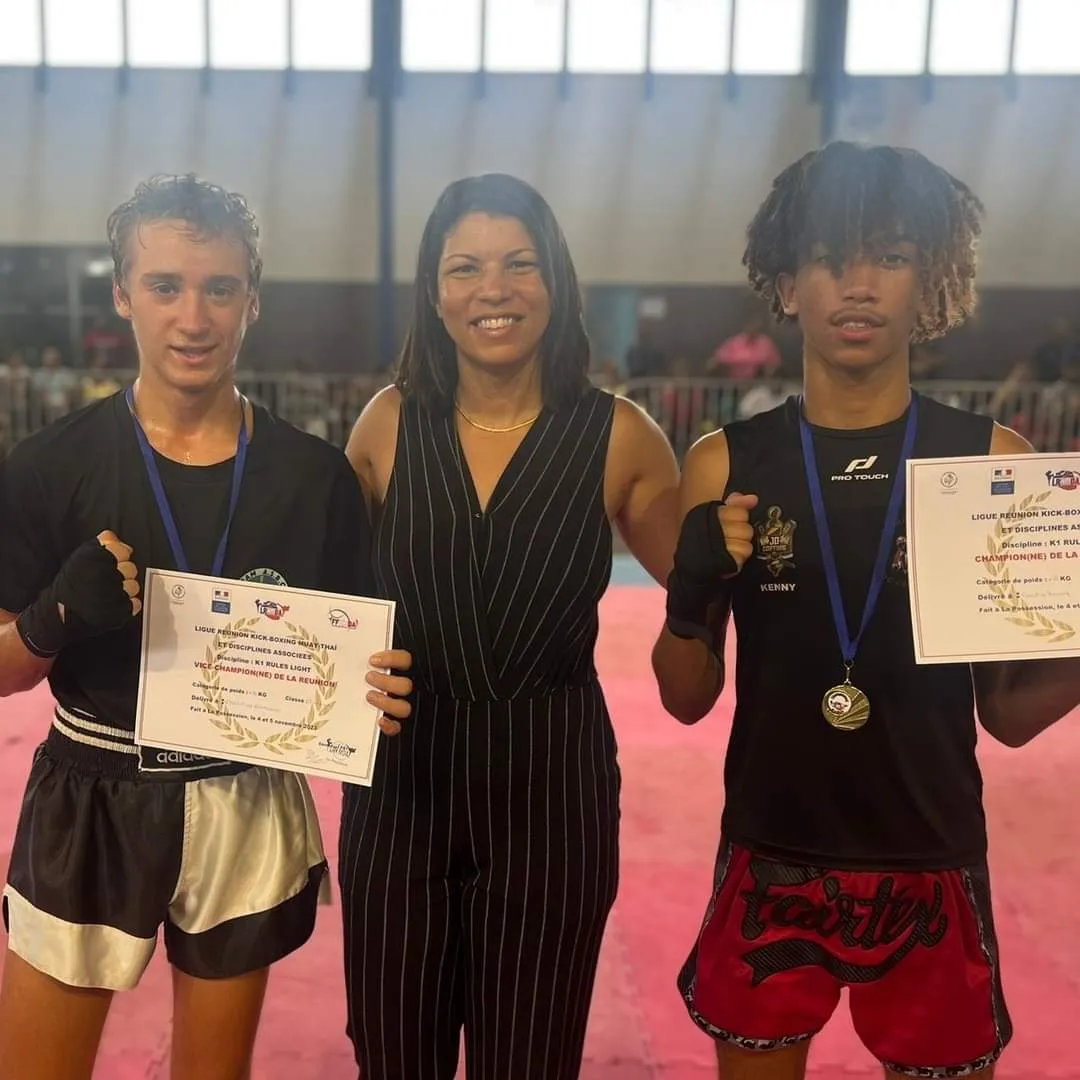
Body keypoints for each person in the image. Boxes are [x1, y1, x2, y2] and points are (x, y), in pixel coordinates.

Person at [652, 141, 1080, 1080]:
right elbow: (685, 699)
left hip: (928, 851)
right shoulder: (726, 462)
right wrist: (689, 595)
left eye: (889, 256)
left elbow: (1009, 716)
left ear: (928, 281)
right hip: (774, 846)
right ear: (787, 282)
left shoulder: (990, 462)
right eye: (828, 259)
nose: (858, 285)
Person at [0, 174, 414, 1080]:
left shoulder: (315, 477)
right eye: (165, 286)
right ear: (122, 295)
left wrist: (376, 689)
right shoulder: (49, 465)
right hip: (92, 787)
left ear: (252, 299)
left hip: (244, 791)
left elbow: (360, 658)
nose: (194, 318)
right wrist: (48, 621)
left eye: (219, 288)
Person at [340, 172, 681, 1079]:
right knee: (392, 1057)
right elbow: (328, 603)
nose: (493, 288)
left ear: (556, 280)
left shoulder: (621, 435)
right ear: (434, 292)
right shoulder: (386, 424)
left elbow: (709, 590)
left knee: (529, 1057)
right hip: (399, 786)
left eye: (519, 263)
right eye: (465, 268)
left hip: (551, 792)